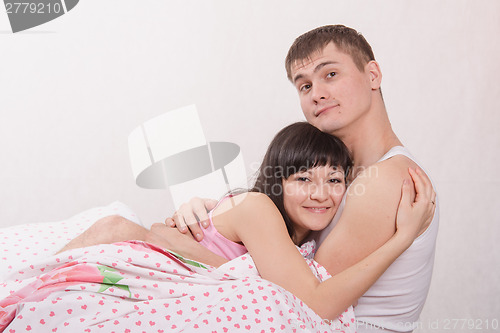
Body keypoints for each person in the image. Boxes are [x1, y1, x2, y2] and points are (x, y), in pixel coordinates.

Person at [159, 25, 439, 332]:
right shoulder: (338, 174)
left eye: (330, 74)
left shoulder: (386, 180)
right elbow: (276, 251)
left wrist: (174, 244)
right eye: (304, 86)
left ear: (372, 75)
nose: (317, 93)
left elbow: (302, 296)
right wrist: (215, 217)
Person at [57, 121, 435, 323]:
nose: (321, 194)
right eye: (303, 179)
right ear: (278, 181)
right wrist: (403, 238)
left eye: (334, 180)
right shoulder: (259, 209)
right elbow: (315, 302)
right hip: (117, 244)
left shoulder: (304, 243)